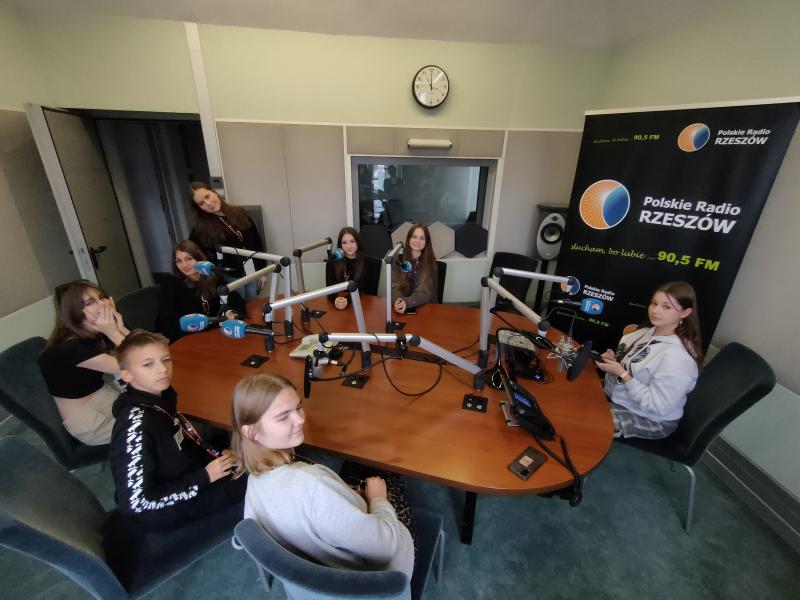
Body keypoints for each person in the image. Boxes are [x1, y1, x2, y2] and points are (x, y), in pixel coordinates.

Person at [231, 373, 415, 579]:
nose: (300, 419)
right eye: (283, 417)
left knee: (353, 466)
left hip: (324, 571)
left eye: (299, 407)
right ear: (252, 433)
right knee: (389, 473)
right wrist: (378, 500)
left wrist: (345, 497)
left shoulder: (254, 483)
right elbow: (385, 547)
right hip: (386, 575)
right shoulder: (313, 485)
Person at [109, 330, 246, 532]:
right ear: (126, 375)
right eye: (148, 364)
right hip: (168, 510)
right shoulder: (135, 427)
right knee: (259, 472)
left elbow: (183, 439)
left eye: (166, 360)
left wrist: (217, 453)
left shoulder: (161, 399)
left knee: (245, 451)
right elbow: (136, 502)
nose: (162, 369)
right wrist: (205, 477)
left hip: (185, 473)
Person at [595, 281, 703, 440]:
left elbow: (657, 406)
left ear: (685, 313)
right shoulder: (644, 333)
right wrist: (614, 362)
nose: (655, 311)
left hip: (651, 419)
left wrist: (623, 374)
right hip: (621, 401)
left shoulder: (678, 358)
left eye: (666, 307)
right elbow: (631, 370)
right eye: (654, 303)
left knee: (585, 420)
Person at [38, 280, 129, 446]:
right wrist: (115, 331)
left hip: (106, 398)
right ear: (74, 312)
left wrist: (120, 328)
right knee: (158, 423)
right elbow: (138, 365)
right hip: (93, 421)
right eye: (91, 302)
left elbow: (148, 352)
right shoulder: (70, 348)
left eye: (101, 297)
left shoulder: (89, 334)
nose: (103, 304)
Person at [188, 181, 267, 300]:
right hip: (228, 278)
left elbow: (256, 243)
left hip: (252, 273)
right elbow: (196, 255)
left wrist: (262, 272)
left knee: (253, 306)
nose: (208, 203)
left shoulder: (240, 213)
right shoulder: (200, 229)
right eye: (201, 203)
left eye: (207, 196)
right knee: (238, 308)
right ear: (199, 208)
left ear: (214, 192)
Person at [157, 240, 247, 342]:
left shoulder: (213, 279)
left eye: (189, 259)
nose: (184, 265)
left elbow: (237, 301)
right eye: (179, 261)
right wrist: (217, 323)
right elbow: (171, 326)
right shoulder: (170, 285)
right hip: (181, 341)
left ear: (199, 259)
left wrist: (231, 314)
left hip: (211, 337)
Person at [325, 227, 380, 309]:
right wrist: (336, 299)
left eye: (352, 241)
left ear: (357, 242)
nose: (349, 246)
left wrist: (347, 300)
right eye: (344, 243)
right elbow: (329, 289)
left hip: (361, 305)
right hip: (339, 304)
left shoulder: (368, 263)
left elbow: (367, 292)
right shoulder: (332, 261)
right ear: (340, 245)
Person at [391, 223, 437, 314]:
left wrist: (407, 302)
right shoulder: (398, 259)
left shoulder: (430, 263)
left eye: (422, 238)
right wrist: (398, 300)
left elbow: (425, 292)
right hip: (401, 306)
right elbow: (394, 285)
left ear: (426, 241)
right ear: (409, 239)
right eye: (414, 237)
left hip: (425, 308)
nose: (417, 241)